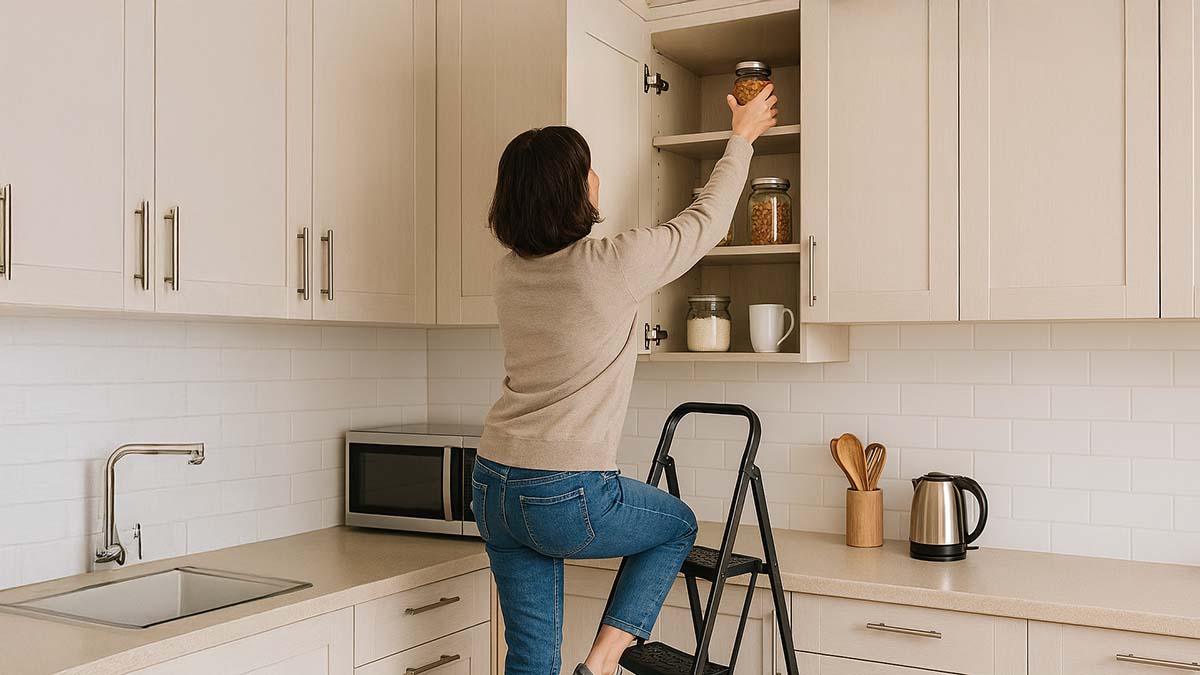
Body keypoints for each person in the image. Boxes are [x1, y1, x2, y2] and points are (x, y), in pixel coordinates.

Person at [471, 84, 779, 675]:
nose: (597, 178)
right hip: (563, 491)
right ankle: (605, 663)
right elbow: (705, 222)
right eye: (589, 171)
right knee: (677, 526)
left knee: (531, 658)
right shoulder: (611, 264)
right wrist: (741, 136)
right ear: (576, 189)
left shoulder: (507, 275)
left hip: (493, 486)